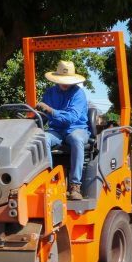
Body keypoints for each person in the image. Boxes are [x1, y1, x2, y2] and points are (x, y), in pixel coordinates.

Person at [36, 60, 90, 201]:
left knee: (77, 140)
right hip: (56, 131)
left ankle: (75, 185)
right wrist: (32, 118)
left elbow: (71, 118)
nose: (65, 83)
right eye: (62, 80)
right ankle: (50, 182)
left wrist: (51, 111)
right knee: (41, 138)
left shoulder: (79, 94)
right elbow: (44, 116)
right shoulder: (49, 93)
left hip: (76, 129)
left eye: (68, 80)